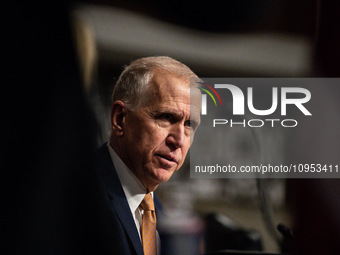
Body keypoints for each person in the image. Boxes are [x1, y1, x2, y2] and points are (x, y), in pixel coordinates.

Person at [95, 56, 201, 255]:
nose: (178, 140)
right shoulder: (75, 193)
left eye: (189, 125)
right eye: (166, 117)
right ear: (120, 118)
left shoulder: (158, 213)